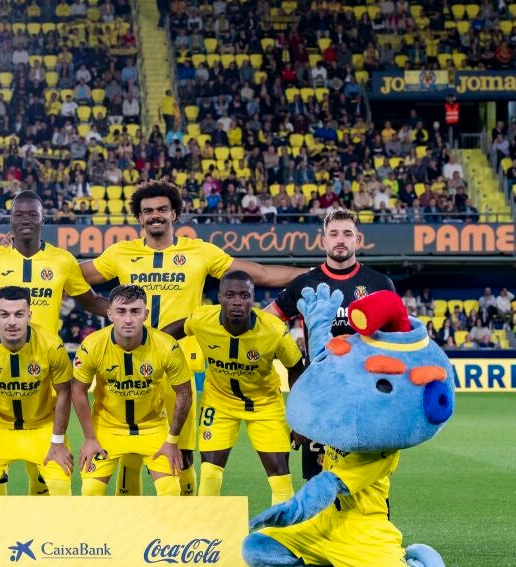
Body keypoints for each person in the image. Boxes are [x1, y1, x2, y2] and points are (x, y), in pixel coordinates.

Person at [80, 180, 305, 496]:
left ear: (174, 213)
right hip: (131, 363)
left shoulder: (199, 252)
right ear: (139, 218)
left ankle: (187, 516)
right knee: (129, 447)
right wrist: (110, 309)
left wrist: (319, 272)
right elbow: (70, 276)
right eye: (148, 211)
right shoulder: (120, 253)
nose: (155, 215)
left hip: (179, 367)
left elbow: (262, 274)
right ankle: (129, 518)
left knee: (181, 454)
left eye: (162, 209)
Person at [0, 190, 109, 495]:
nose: (26, 219)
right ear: (11, 220)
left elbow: (92, 301)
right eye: (19, 214)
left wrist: (127, 315)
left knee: (44, 473)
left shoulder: (62, 260)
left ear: (43, 219)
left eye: (32, 214)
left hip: (45, 366)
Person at [266, 209, 395, 480]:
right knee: (318, 480)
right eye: (333, 234)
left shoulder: (380, 284)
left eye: (347, 234)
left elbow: (396, 338)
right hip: (320, 396)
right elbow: (266, 321)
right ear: (323, 241)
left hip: (365, 395)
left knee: (368, 481)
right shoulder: (305, 283)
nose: (340, 240)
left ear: (358, 240)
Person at [174, 271, 304, 504]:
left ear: (253, 300)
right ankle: (206, 525)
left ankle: (284, 527)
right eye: (230, 295)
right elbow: (165, 335)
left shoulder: (273, 329)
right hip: (219, 402)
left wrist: (299, 417)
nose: (237, 301)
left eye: (244, 296)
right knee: (209, 475)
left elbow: (295, 368)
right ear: (219, 298)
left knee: (281, 480)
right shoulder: (202, 319)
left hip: (265, 404)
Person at [71, 285, 194, 496]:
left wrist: (172, 440)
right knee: (90, 491)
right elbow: (77, 390)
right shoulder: (93, 345)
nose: (128, 319)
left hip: (153, 428)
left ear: (145, 314)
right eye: (121, 311)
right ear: (110, 314)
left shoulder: (166, 345)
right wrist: (90, 438)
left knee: (171, 491)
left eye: (135, 311)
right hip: (107, 428)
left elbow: (184, 393)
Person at [0, 286, 75, 496]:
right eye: (4, 314)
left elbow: (65, 392)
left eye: (19, 314)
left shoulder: (51, 344)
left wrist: (58, 443)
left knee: (60, 486)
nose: (12, 321)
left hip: (42, 425)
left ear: (29, 315)